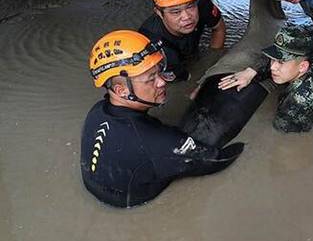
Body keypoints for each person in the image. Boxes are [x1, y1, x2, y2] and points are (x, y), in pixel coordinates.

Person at [80, 30, 243, 208]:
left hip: (100, 184)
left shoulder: (98, 110)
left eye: (159, 72)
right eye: (151, 79)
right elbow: (216, 161)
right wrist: (245, 147)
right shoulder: (158, 142)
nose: (162, 82)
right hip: (133, 202)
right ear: (121, 90)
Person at [218, 25, 313, 133]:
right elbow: (273, 59)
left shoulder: (296, 104)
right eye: (273, 59)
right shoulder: (310, 59)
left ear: (303, 67)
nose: (273, 67)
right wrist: (251, 71)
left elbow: (282, 132)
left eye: (281, 62)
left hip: (311, 117)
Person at [139, 0, 226, 82]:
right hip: (169, 60)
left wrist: (211, 62)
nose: (186, 17)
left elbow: (218, 29)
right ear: (159, 13)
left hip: (190, 49)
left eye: (190, 6)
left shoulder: (202, 4)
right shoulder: (151, 42)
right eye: (175, 12)